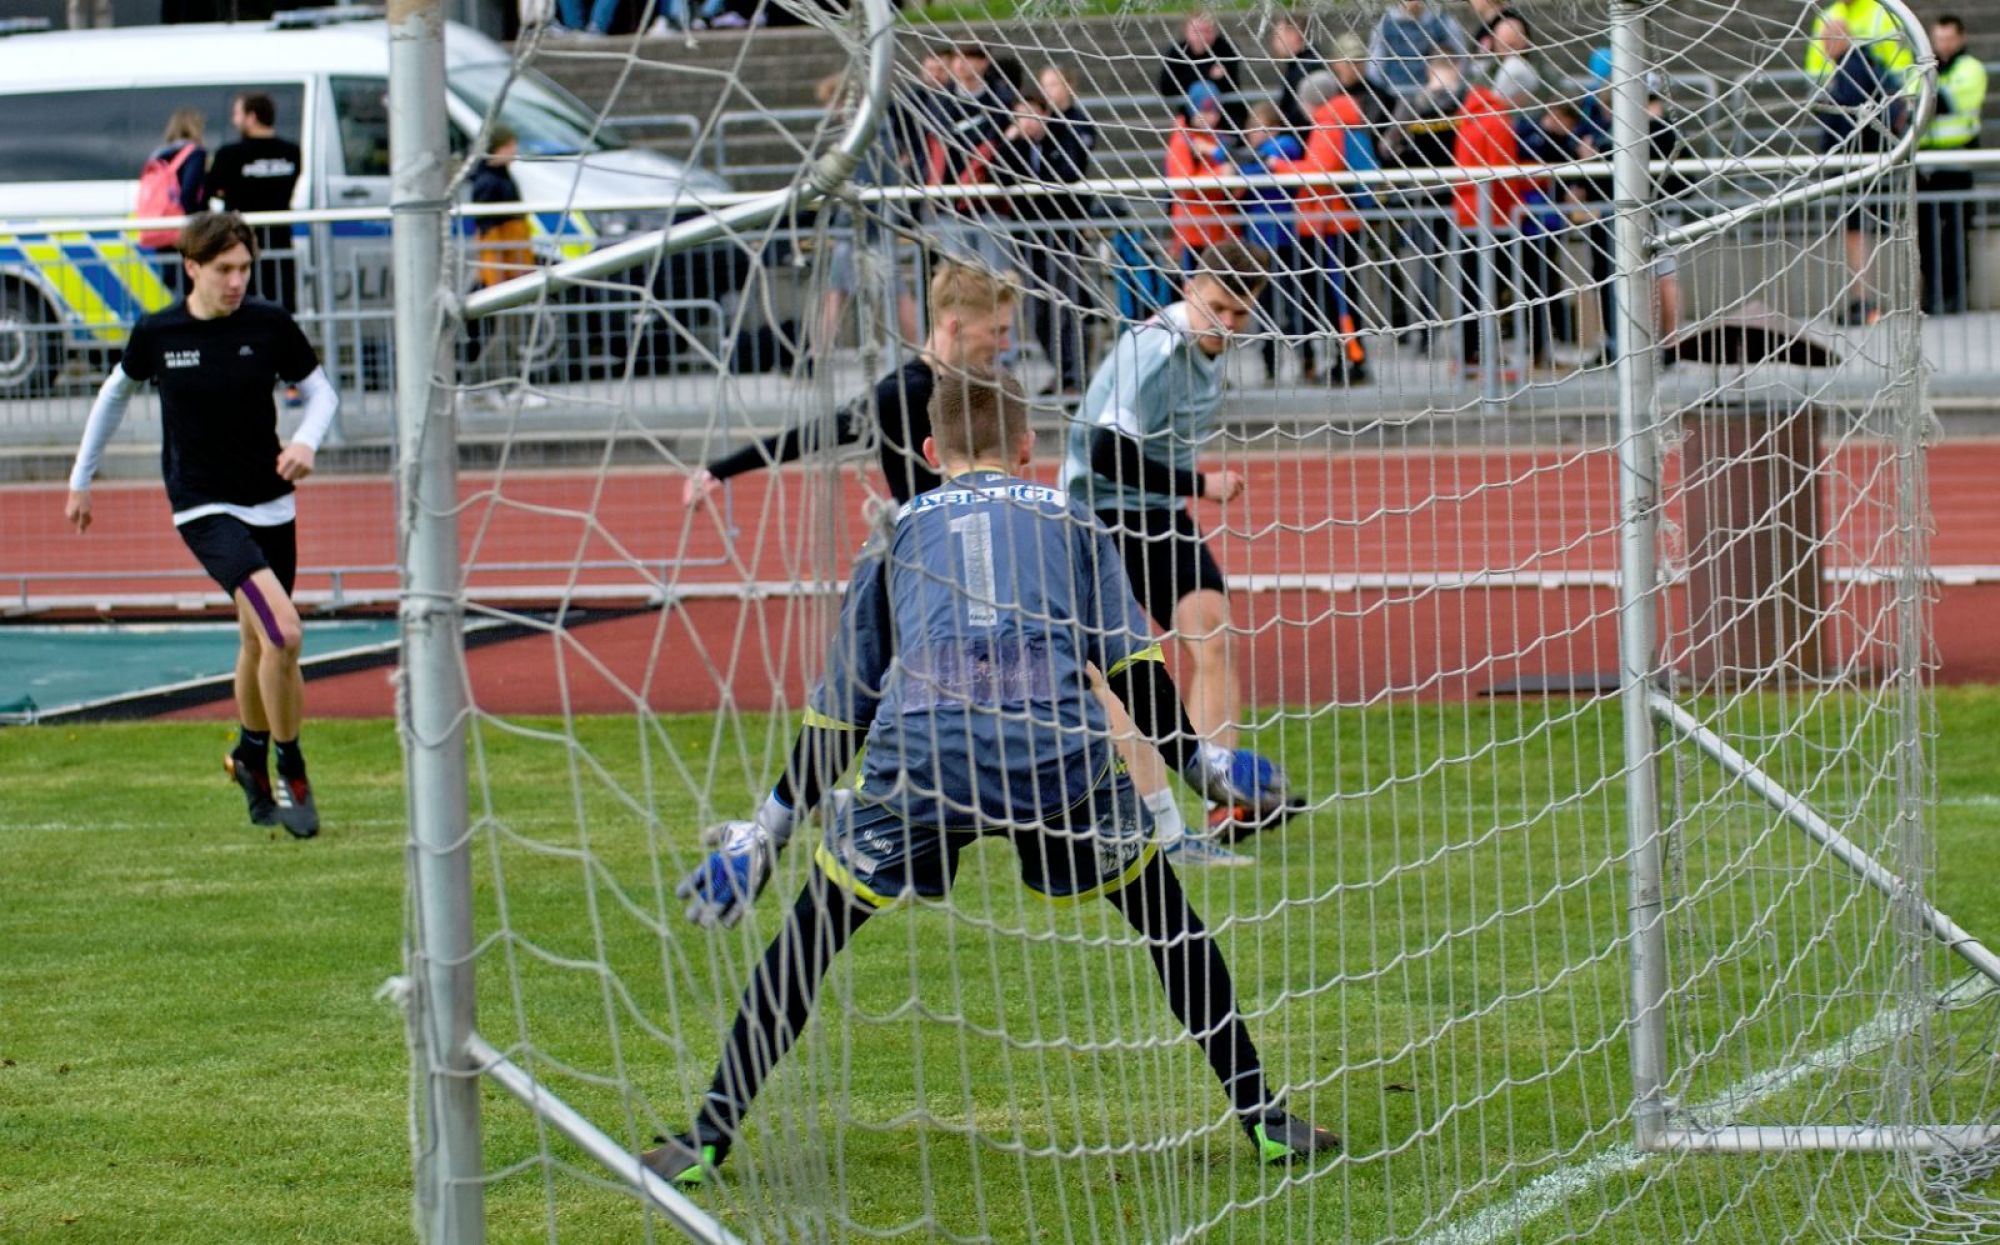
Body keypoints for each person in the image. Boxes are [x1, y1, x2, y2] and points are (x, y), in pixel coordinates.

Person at [645, 366, 1340, 1186]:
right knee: (1168, 925)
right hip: (1056, 762)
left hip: (921, 762)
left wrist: (768, 831)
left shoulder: (893, 533)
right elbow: (1133, 666)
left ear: (929, 451)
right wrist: (1201, 763)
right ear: (1026, 447)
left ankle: (708, 1134)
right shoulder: (1074, 519)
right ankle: (1264, 1117)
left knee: (810, 934)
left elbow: (843, 707)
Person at [64, 212, 336, 838]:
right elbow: (113, 395)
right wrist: (82, 478)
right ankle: (291, 769)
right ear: (191, 267)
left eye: (245, 269)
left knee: (260, 643)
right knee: (285, 633)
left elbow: (321, 392)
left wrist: (307, 441)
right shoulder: (160, 332)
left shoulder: (269, 323)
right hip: (204, 507)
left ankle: (248, 756)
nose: (236, 281)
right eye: (223, 270)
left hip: (272, 502)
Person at [1061, 241, 1303, 843]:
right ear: (1191, 289)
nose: (1228, 323)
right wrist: (1202, 484)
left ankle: (1223, 807)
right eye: (1217, 307)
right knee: (1123, 673)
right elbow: (1104, 452)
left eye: (1241, 314)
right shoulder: (1156, 350)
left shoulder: (1206, 347)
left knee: (1213, 631)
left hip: (1158, 511)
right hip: (1099, 515)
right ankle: (1151, 824)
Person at [684, 260, 1015, 510]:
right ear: (956, 327)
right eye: (997, 331)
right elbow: (814, 434)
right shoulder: (903, 393)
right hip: (926, 556)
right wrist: (718, 471)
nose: (1005, 345)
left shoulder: (984, 388)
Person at [1813, 17, 1907, 326]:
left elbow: (1850, 118)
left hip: (1858, 166)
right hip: (1865, 163)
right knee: (1861, 233)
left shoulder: (1852, 69)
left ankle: (1865, 301)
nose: (1823, 46)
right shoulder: (1860, 66)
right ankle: (1864, 300)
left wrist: (1832, 150)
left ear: (1842, 38)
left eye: (1827, 38)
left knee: (1857, 234)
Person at [206, 91, 302, 313]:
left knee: (243, 306)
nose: (234, 120)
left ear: (252, 117)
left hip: (241, 242)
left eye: (237, 114)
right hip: (279, 240)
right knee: (281, 303)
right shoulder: (292, 152)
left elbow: (211, 188)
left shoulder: (230, 154)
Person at [1918, 15, 1984, 316]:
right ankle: (1932, 294)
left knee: (1955, 233)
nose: (1943, 45)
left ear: (1961, 38)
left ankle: (1956, 295)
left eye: (1948, 39)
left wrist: (1927, 93)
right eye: (1939, 39)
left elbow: (1945, 103)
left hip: (1957, 160)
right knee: (1926, 235)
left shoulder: (1970, 68)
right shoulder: (1925, 67)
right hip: (1925, 163)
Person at [1165, 83, 1240, 270]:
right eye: (1205, 111)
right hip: (1193, 231)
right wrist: (1220, 174)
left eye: (1215, 111)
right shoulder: (1182, 141)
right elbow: (1183, 183)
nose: (1211, 117)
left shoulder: (1218, 138)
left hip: (1219, 230)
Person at [140, 108, 209, 290]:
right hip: (185, 233)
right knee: (192, 285)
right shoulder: (195, 153)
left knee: (176, 283)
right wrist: (200, 224)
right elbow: (188, 193)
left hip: (162, 226)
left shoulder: (159, 155)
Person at [1367, 0, 1470, 102]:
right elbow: (1375, 65)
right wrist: (1384, 91)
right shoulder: (1385, 24)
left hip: (1435, 93)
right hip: (1394, 93)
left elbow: (1460, 58)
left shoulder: (1442, 22)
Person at [1158, 12, 1243, 125]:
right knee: (1199, 89)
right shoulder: (1177, 52)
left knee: (1206, 88)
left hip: (1227, 117)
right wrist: (1208, 74)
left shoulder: (1226, 49)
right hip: (1190, 118)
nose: (1202, 36)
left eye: (1207, 31)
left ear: (1215, 32)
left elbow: (1229, 84)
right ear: (1186, 32)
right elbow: (1166, 88)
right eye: (1196, 31)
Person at [1266, 15, 1327, 133]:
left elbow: (1300, 113)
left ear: (1294, 35)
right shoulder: (1300, 65)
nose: (1273, 43)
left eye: (1277, 36)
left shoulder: (1307, 67)